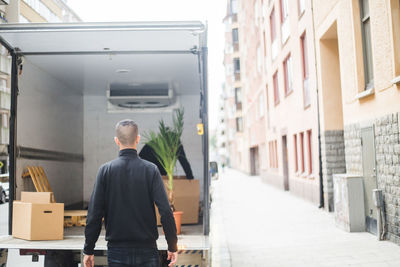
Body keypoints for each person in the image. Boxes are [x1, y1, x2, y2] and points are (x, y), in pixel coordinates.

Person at [83, 119, 178, 267]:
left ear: (116, 141)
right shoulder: (151, 170)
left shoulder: (105, 170)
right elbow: (165, 211)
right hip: (147, 249)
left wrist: (88, 249)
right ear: (138, 139)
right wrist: (172, 246)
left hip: (117, 251)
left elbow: (94, 214)